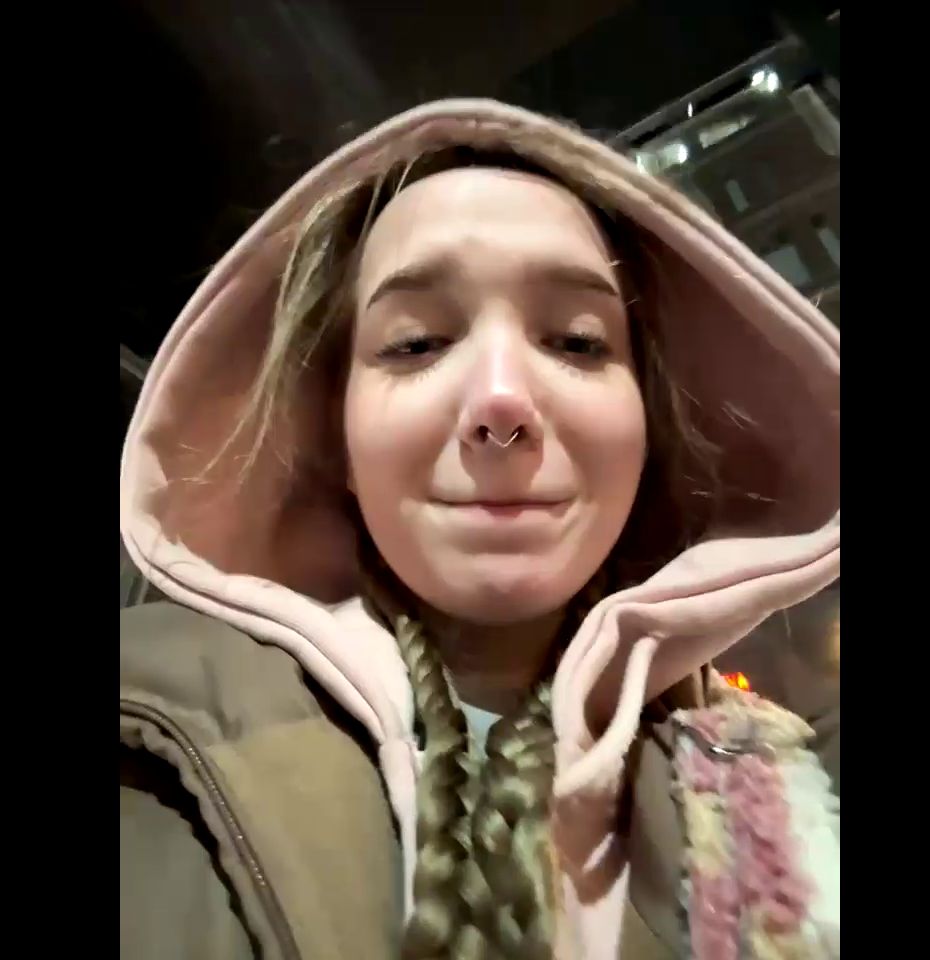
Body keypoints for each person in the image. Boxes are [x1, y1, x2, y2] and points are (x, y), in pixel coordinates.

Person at [120, 99, 840, 960]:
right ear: (335, 439)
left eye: (576, 342)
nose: (501, 399)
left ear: (647, 427)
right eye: (416, 343)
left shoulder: (767, 786)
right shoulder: (148, 736)